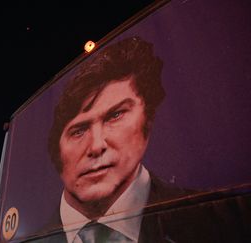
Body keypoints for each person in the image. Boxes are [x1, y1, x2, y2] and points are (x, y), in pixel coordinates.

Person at [24, 36, 250, 243]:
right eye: (78, 130)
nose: (96, 146)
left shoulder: (226, 220)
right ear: (56, 151)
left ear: (148, 122)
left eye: (115, 115)